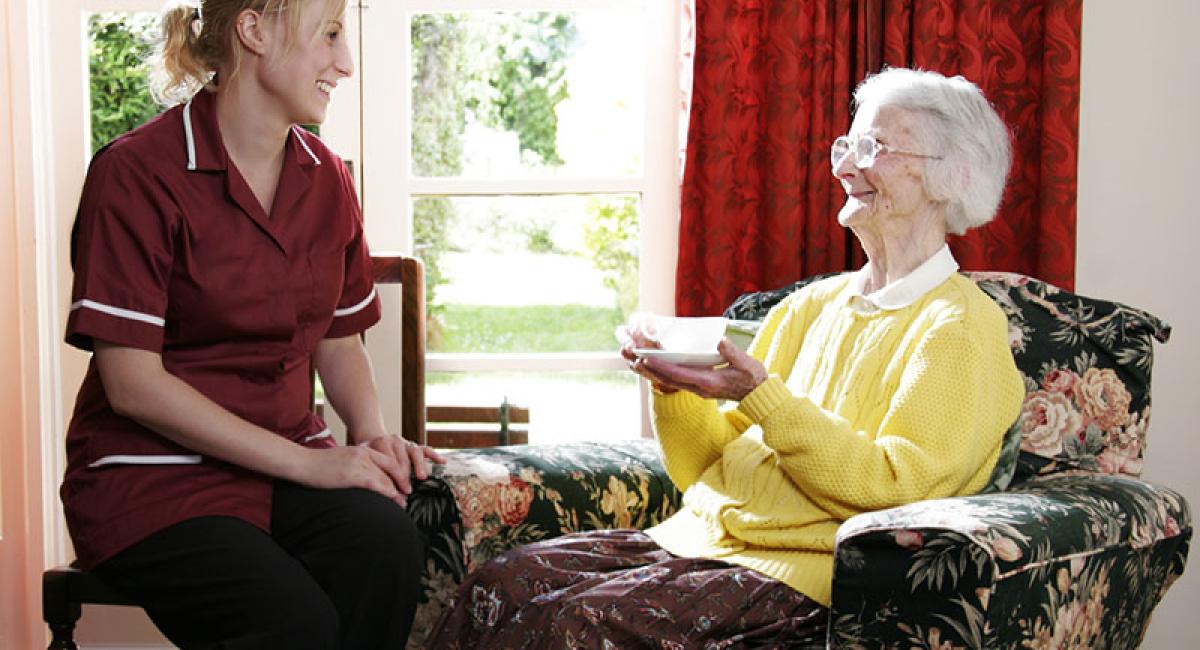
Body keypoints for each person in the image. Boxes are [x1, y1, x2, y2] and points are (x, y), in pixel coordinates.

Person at [429, 67, 1026, 648]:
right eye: (847, 143)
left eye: (874, 147)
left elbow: (899, 490)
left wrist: (761, 396)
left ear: (951, 177)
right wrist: (675, 387)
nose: (845, 165)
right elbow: (709, 471)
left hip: (802, 575)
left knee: (572, 626)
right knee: (500, 586)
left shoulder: (961, 328)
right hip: (699, 543)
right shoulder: (809, 307)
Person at [61, 1, 443, 647]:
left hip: (282, 467)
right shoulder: (134, 173)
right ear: (254, 30)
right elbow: (131, 384)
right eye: (329, 34)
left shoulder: (326, 177)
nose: (345, 63)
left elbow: (338, 336)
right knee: (293, 624)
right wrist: (312, 465)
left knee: (385, 543)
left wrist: (373, 437)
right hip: (150, 479)